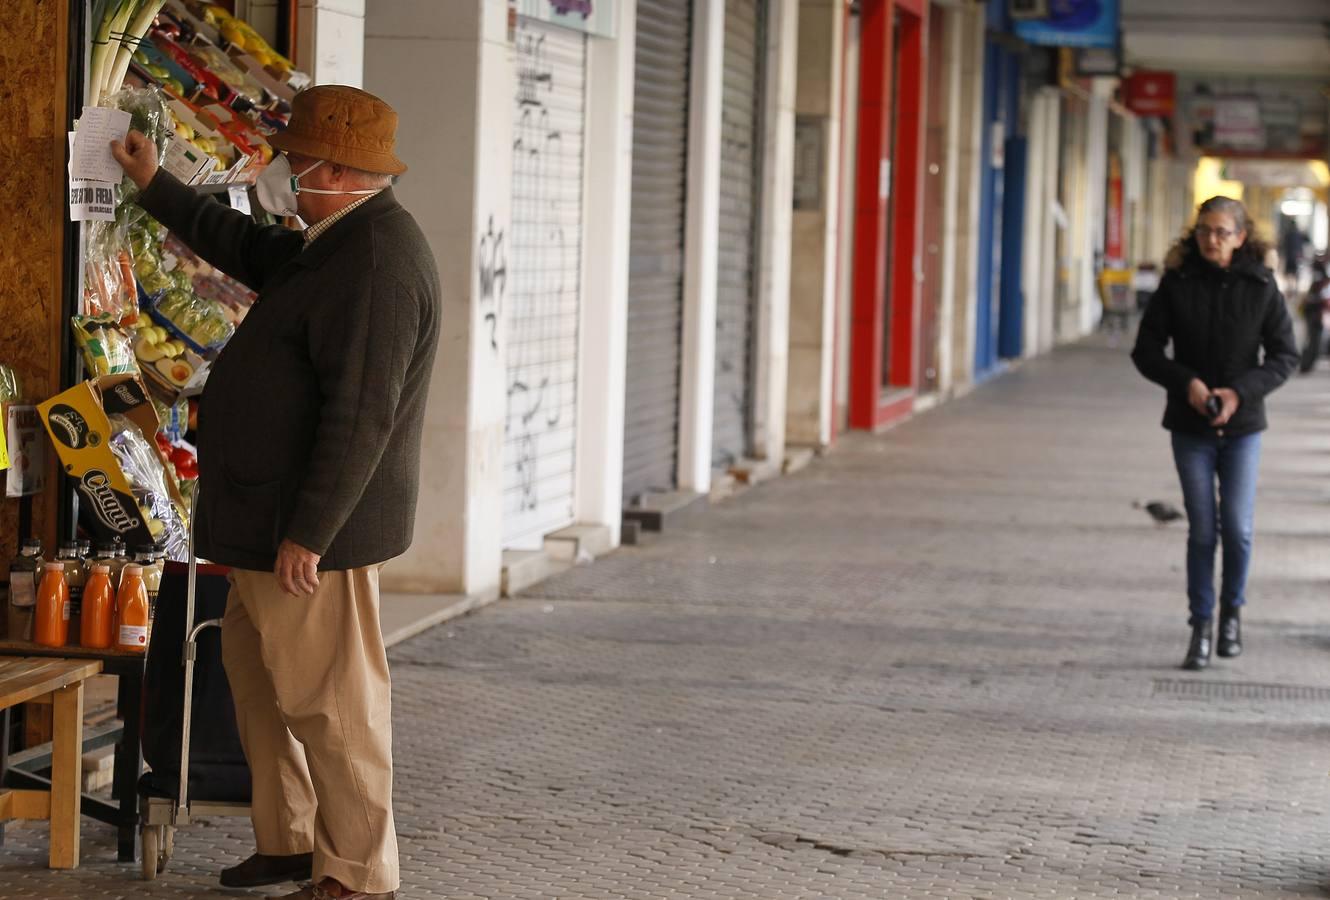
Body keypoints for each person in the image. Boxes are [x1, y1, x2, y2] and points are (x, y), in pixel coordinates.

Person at [112, 85, 440, 900]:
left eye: (296, 160)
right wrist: (157, 185)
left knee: (334, 705)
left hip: (307, 533)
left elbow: (363, 416)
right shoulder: (332, 237)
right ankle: (290, 841)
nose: (285, 171)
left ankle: (360, 874)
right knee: (260, 685)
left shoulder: (376, 261)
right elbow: (246, 247)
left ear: (337, 169)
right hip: (264, 518)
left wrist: (312, 534)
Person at [1131, 196, 1298, 672]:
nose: (1212, 239)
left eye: (1223, 232)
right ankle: (1200, 626)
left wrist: (1240, 393)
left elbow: (1285, 355)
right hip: (1191, 428)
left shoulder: (1261, 286)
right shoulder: (1176, 284)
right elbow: (1145, 351)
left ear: (1241, 237)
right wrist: (1188, 384)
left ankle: (1232, 616)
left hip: (1243, 428)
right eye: (1205, 230)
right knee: (1203, 530)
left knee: (1238, 530)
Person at [1298, 260, 1330, 373]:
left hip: (1314, 315)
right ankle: (1305, 364)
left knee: (1313, 341)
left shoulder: (1318, 282)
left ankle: (1305, 364)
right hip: (1315, 316)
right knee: (1313, 341)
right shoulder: (1320, 283)